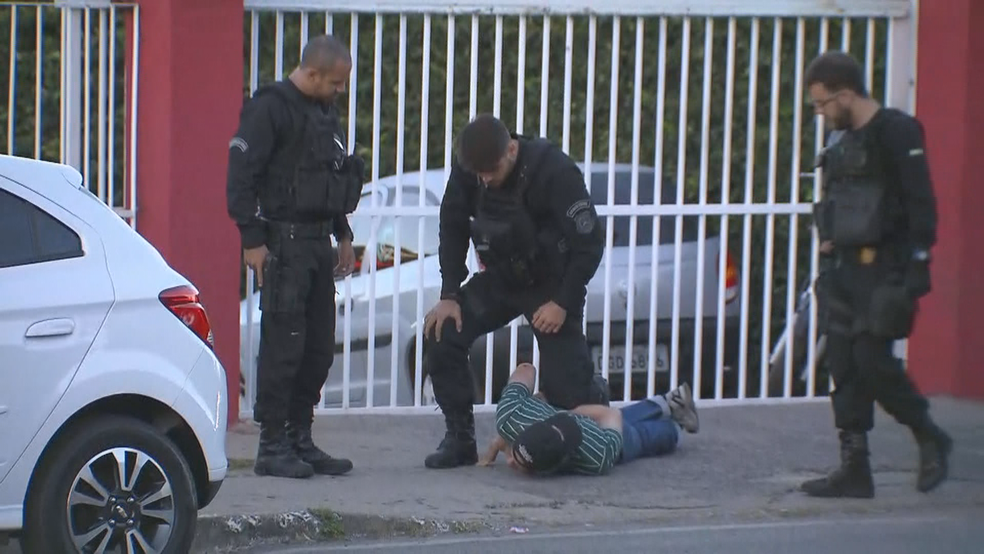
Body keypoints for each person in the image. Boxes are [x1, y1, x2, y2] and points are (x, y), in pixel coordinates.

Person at [420, 114, 608, 470]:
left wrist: (563, 302)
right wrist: (449, 295)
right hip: (502, 278)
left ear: (511, 149)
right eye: (480, 174)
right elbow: (453, 224)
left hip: (550, 286)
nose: (485, 180)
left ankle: (593, 391)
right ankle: (459, 439)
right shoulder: (470, 169)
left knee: (569, 397)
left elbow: (589, 243)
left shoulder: (553, 169)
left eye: (492, 171)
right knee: (441, 332)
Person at [802, 50, 952, 498]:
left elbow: (921, 206)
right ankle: (854, 467)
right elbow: (838, 205)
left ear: (846, 94)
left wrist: (915, 268)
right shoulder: (843, 143)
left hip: (882, 271)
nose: (821, 114)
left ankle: (929, 434)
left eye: (823, 104)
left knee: (874, 363)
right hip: (843, 270)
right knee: (845, 367)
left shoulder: (897, 132)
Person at [226, 35, 365, 479]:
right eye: (336, 83)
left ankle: (301, 439)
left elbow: (331, 174)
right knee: (284, 347)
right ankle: (273, 446)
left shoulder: (324, 111)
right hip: (283, 243)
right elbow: (241, 176)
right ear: (311, 73)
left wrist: (342, 231)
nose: (340, 91)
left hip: (318, 242)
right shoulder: (269, 107)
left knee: (318, 348)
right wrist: (252, 240)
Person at [478, 363, 699, 475]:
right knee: (632, 429)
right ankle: (672, 414)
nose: (509, 462)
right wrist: (571, 413)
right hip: (589, 427)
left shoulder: (510, 414)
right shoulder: (512, 414)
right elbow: (611, 415)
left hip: (588, 422)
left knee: (631, 429)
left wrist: (573, 413)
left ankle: (672, 415)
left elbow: (613, 415)